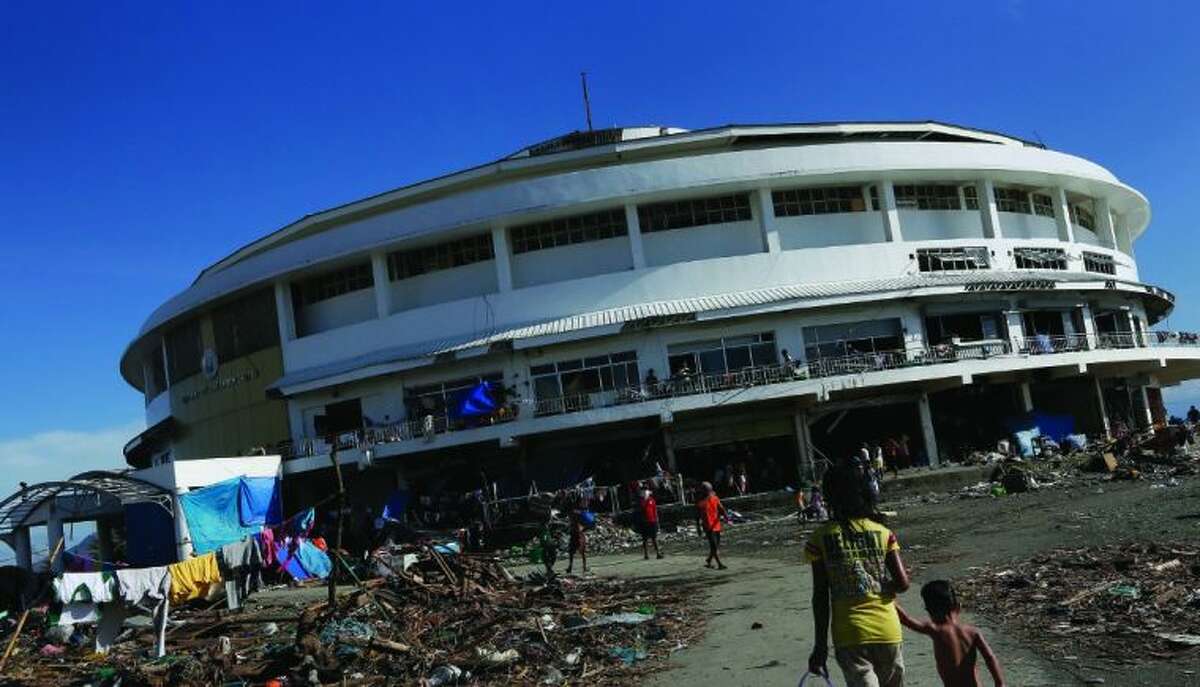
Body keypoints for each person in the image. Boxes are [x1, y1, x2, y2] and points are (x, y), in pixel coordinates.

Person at [806, 460, 910, 687]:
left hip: (849, 635)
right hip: (887, 630)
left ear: (830, 496)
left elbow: (821, 596)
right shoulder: (883, 532)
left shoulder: (819, 539)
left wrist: (820, 647)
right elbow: (903, 583)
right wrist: (878, 585)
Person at [897, 581, 1005, 687]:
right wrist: (1000, 683)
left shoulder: (935, 629)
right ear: (958, 606)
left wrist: (891, 601)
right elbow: (990, 657)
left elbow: (906, 619)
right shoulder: (973, 632)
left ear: (929, 610)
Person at [695, 482, 727, 569]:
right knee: (713, 545)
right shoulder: (700, 502)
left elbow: (721, 509)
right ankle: (719, 564)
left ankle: (709, 560)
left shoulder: (715, 498)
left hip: (716, 525)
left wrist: (726, 517)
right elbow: (697, 516)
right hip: (708, 526)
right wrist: (698, 528)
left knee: (716, 545)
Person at [639, 483, 663, 560]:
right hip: (644, 522)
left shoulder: (652, 500)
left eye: (646, 490)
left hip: (652, 521)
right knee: (645, 539)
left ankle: (658, 553)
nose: (645, 492)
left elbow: (655, 511)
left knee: (654, 538)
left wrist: (657, 521)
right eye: (643, 490)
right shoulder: (640, 501)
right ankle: (646, 555)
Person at [565, 499, 589, 575]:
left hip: (577, 533)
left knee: (577, 551)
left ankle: (575, 567)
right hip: (576, 533)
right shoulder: (578, 513)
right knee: (575, 552)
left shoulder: (576, 513)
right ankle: (574, 567)